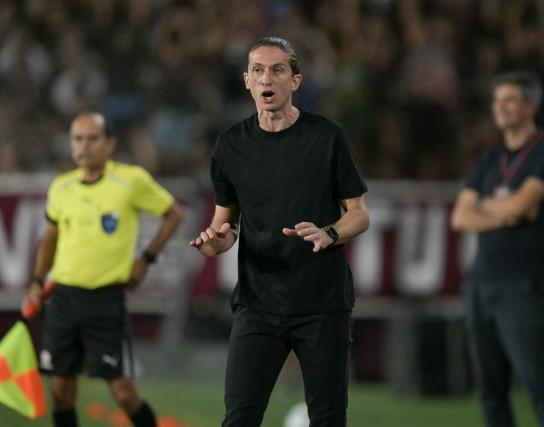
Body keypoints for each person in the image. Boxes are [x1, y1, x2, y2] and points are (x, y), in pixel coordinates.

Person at [189, 37, 369, 427]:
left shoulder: (327, 137)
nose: (266, 77)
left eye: (277, 69)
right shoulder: (230, 145)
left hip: (322, 303)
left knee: (327, 418)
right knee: (239, 417)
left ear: (296, 81)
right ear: (247, 81)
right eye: (258, 70)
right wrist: (217, 241)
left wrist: (330, 233)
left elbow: (358, 214)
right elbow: (227, 224)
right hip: (258, 305)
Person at [23, 112, 182, 427]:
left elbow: (173, 215)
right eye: (78, 139)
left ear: (110, 144)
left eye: (92, 138)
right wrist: (37, 279)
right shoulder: (61, 187)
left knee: (123, 393)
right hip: (63, 299)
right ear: (71, 146)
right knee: (60, 390)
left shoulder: (130, 180)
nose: (84, 145)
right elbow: (51, 237)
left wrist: (145, 259)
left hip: (105, 301)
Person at [451, 71, 544, 427]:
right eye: (496, 100)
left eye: (510, 100)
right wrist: (506, 212)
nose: (499, 107)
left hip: (520, 284)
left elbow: (523, 206)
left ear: (531, 105)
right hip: (480, 285)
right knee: (490, 391)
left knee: (539, 385)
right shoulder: (489, 159)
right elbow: (460, 217)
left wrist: (489, 208)